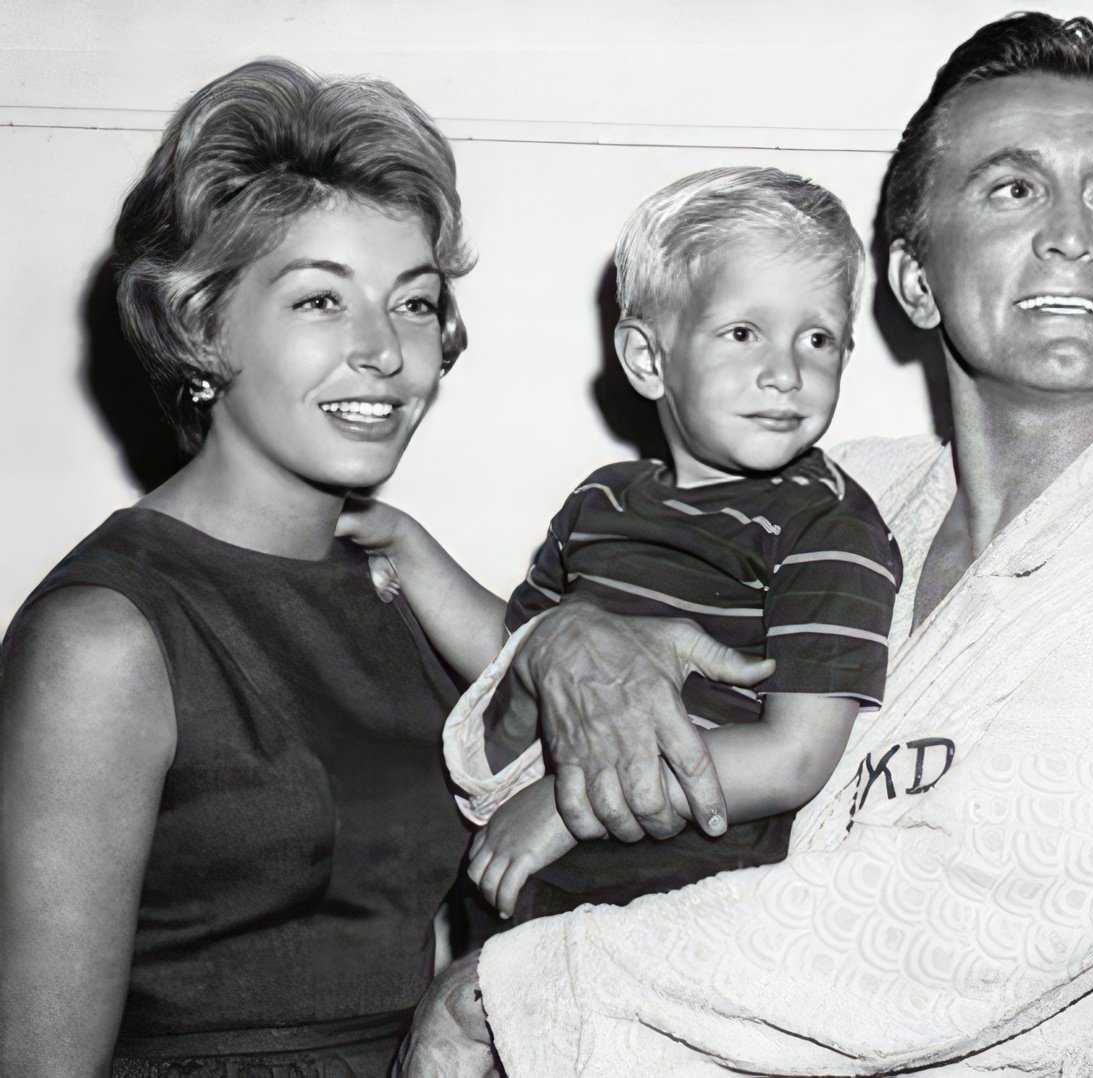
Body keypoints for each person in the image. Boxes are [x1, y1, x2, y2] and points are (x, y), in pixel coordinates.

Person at [398, 13, 1093, 1076]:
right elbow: (498, 779)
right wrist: (559, 648)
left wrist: (504, 990)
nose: (1075, 232)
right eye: (1013, 187)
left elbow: (932, 936)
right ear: (914, 280)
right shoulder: (834, 496)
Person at [0, 59, 475, 1076]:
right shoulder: (106, 639)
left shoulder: (403, 589)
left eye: (415, 303)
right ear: (201, 325)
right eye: (319, 302)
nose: (384, 352)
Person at [345, 166, 902, 921]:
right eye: (744, 333)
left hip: (678, 894)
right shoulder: (602, 498)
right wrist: (407, 545)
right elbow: (514, 652)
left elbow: (793, 758)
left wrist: (569, 806)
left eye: (818, 338)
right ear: (648, 359)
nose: (786, 373)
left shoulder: (829, 525)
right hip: (527, 868)